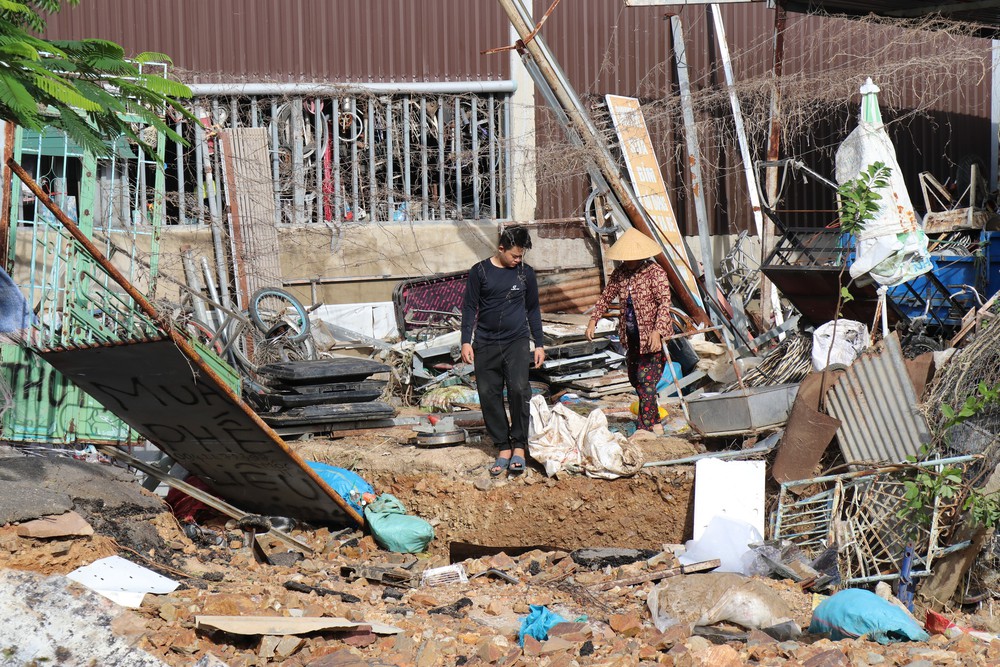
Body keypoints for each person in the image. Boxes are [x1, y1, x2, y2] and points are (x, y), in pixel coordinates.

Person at [461, 226, 546, 477]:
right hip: (486, 342)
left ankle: (519, 445)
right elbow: (469, 307)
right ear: (501, 249)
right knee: (488, 393)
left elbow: (533, 309)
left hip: (516, 341)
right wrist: (466, 340)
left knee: (520, 389)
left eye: (521, 256)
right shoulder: (480, 272)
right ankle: (503, 447)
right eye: (515, 256)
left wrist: (539, 343)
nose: (518, 261)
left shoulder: (525, 274)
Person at [585, 228, 672, 434]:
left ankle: (645, 427)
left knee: (647, 381)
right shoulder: (621, 273)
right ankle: (656, 420)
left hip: (652, 337)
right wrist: (593, 320)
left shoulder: (655, 272)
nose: (629, 261)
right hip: (631, 336)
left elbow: (664, 303)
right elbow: (606, 297)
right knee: (636, 379)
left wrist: (657, 331)